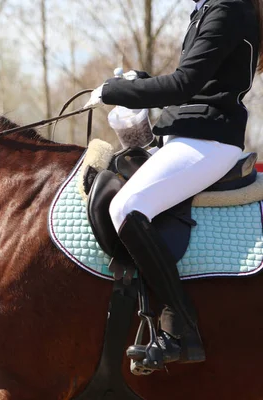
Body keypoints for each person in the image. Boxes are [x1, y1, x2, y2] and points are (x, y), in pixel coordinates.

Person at [84, 0, 262, 369]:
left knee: (127, 207)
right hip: (188, 135)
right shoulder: (209, 8)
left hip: (208, 142)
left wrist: (114, 91)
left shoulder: (227, 8)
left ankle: (178, 326)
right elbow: (199, 85)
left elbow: (184, 86)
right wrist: (142, 82)